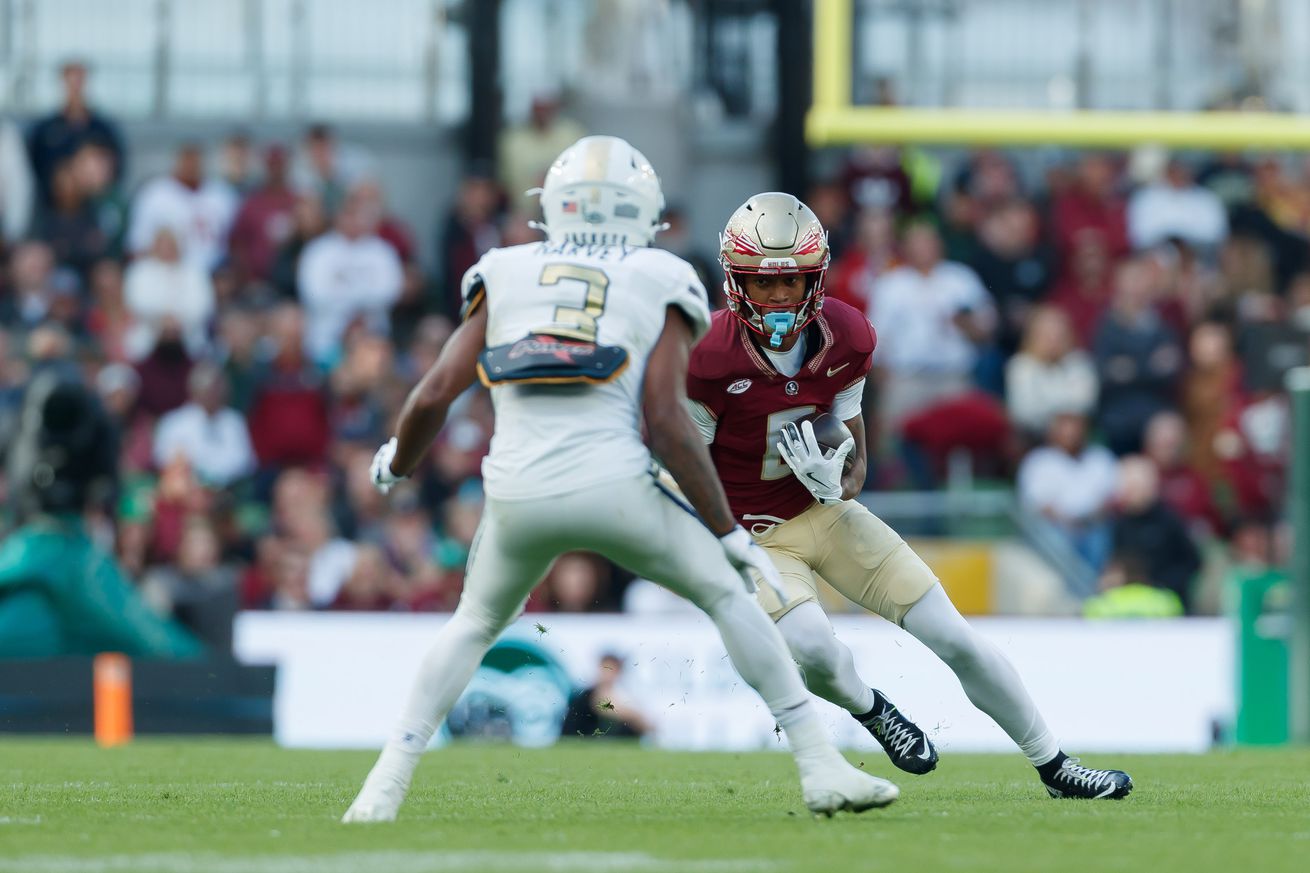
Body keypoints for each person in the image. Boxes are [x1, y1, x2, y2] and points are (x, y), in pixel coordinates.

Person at [343, 136, 896, 822]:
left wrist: (396, 462)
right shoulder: (658, 272)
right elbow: (665, 419)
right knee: (730, 596)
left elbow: (433, 395)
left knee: (474, 622)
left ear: (556, 205)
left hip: (516, 492)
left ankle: (384, 785)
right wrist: (726, 530)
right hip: (614, 485)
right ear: (643, 211)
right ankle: (819, 764)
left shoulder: (504, 267)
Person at [687, 192, 1131, 800]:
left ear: (816, 277)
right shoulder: (706, 358)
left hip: (826, 514)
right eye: (764, 285)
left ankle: (1054, 764)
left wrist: (839, 475)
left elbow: (856, 448)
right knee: (813, 644)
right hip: (755, 533)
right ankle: (873, 710)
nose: (780, 299)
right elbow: (685, 465)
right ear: (735, 283)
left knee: (954, 635)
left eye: (792, 282)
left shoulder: (846, 334)